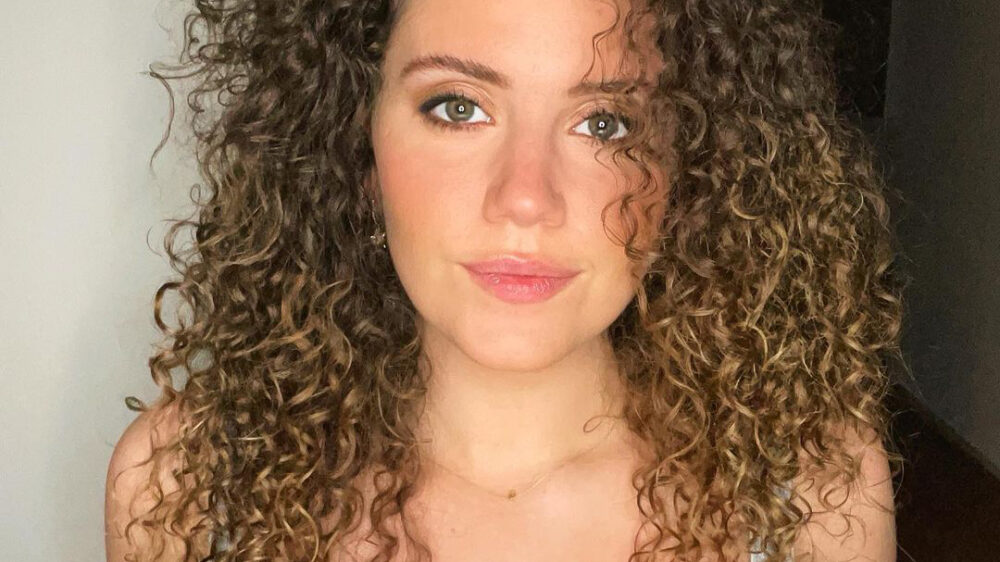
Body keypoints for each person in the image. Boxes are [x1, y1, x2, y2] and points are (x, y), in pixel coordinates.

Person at [105, 0, 902, 561]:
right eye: (458, 107)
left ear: (690, 164)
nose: (526, 198)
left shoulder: (811, 491)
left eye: (605, 123)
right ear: (355, 143)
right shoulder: (191, 486)